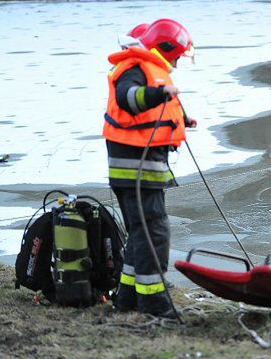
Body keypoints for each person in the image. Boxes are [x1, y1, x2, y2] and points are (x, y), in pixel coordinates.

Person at [102, 18, 196, 317]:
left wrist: (184, 119)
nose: (179, 59)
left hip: (143, 168)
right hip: (135, 170)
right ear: (166, 48)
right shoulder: (134, 69)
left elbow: (153, 109)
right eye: (178, 54)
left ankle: (127, 297)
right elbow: (129, 99)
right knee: (153, 234)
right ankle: (154, 302)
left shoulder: (149, 69)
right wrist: (159, 94)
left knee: (141, 233)